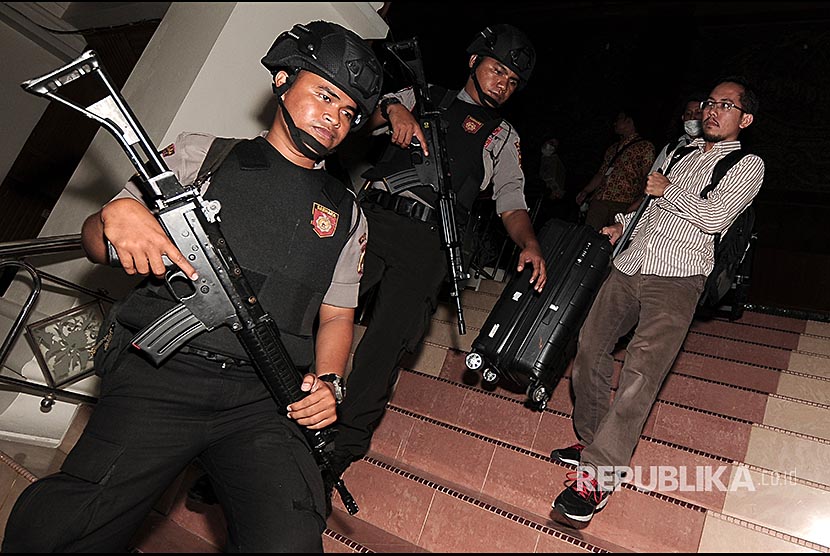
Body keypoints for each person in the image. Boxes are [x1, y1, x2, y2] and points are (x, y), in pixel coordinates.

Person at [2, 20, 382, 552]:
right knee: (74, 524)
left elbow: (338, 315)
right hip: (164, 375)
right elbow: (96, 241)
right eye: (325, 94)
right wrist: (118, 213)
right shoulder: (203, 157)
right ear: (282, 79)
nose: (335, 118)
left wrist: (330, 382)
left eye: (349, 113)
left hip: (266, 398)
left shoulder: (347, 214)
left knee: (291, 538)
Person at [325, 24, 548, 503]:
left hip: (430, 242)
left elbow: (511, 200)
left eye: (513, 81)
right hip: (372, 221)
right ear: (474, 61)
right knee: (310, 309)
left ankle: (337, 452)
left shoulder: (503, 136)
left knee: (385, 347)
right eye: (497, 70)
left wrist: (528, 244)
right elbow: (353, 120)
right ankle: (265, 415)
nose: (503, 84)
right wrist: (391, 107)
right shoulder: (423, 93)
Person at [549, 76, 764, 528]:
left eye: (726, 105)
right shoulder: (677, 151)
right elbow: (649, 205)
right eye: (709, 102)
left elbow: (716, 216)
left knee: (641, 373)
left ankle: (599, 475)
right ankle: (593, 442)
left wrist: (668, 189)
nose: (712, 110)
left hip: (679, 277)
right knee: (588, 350)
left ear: (744, 119)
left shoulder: (747, 163)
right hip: (630, 263)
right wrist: (621, 224)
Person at [575, 108, 655, 230]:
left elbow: (647, 176)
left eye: (619, 119)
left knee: (611, 239)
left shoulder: (645, 146)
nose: (615, 123)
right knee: (588, 235)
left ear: (629, 121)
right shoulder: (612, 148)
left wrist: (639, 201)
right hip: (600, 199)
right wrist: (586, 191)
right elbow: (601, 173)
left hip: (623, 202)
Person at [649, 92, 705, 174]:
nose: (692, 117)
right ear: (683, 118)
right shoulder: (671, 148)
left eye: (698, 113)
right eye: (688, 113)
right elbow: (653, 176)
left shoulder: (715, 148)